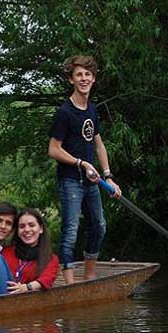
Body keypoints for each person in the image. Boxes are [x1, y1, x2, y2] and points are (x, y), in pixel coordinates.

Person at [47, 55, 121, 284]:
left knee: (99, 226)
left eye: (88, 74)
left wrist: (108, 177)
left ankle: (89, 275)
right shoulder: (65, 113)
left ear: (94, 78)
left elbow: (98, 144)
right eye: (79, 74)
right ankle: (69, 283)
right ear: (71, 79)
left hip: (92, 181)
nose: (84, 78)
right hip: (71, 180)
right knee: (70, 231)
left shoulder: (92, 110)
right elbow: (54, 150)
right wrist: (81, 163)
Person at [0, 207, 59, 294]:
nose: (27, 230)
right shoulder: (6, 252)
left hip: (25, 300)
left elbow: (46, 279)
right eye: (22, 226)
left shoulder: (50, 258)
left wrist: (27, 287)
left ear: (41, 229)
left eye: (31, 225)